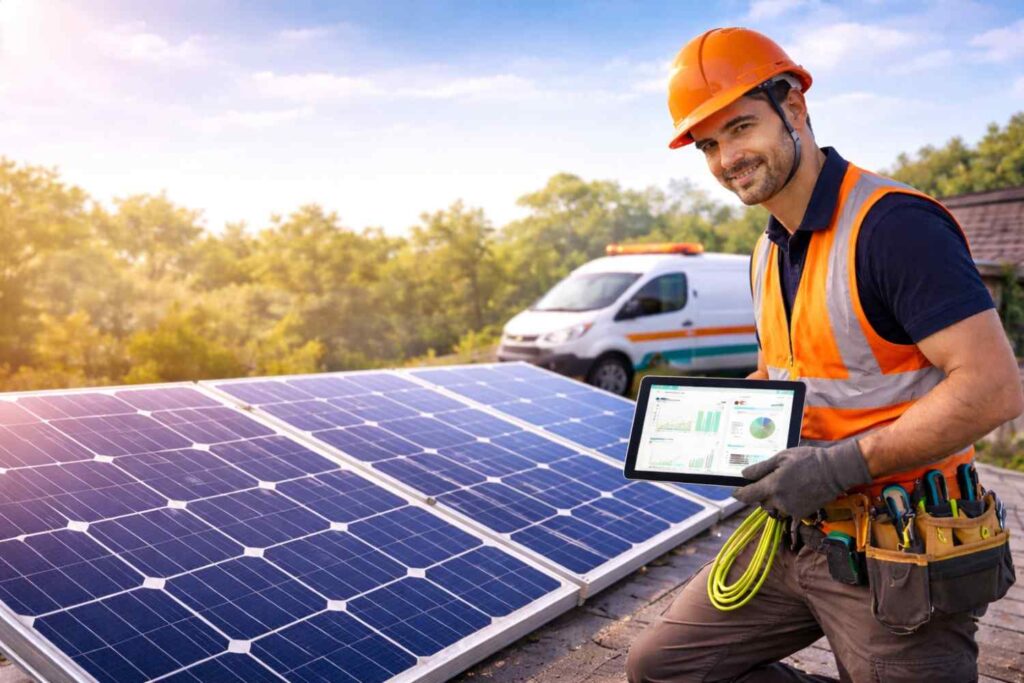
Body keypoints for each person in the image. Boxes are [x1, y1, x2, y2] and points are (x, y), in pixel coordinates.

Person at [626, 27, 1023, 682]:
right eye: (709, 145)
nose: (727, 158)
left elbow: (992, 389)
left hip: (900, 541)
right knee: (662, 669)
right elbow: (790, 372)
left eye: (741, 127)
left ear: (793, 106)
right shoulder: (767, 250)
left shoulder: (895, 226)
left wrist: (838, 466)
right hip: (799, 532)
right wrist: (727, 427)